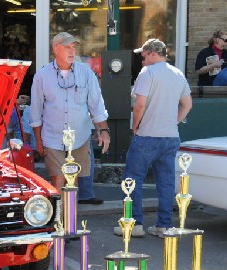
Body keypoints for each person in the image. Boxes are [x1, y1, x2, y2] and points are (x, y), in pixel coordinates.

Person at [114, 39, 192, 238]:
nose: (142, 61)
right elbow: (187, 104)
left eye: (143, 56)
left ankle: (135, 224)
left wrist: (135, 126)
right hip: (170, 136)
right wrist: (174, 122)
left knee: (133, 179)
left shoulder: (147, 73)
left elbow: (139, 104)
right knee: (166, 182)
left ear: (152, 54)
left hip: (147, 135)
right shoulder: (178, 74)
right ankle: (163, 226)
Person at [28, 32, 110, 195]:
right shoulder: (42, 76)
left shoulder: (86, 72)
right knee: (58, 179)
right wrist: (38, 141)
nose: (72, 51)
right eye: (67, 47)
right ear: (56, 49)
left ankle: (70, 218)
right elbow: (36, 112)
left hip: (80, 137)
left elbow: (97, 106)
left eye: (73, 47)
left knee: (73, 180)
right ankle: (58, 217)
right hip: (52, 137)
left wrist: (104, 131)